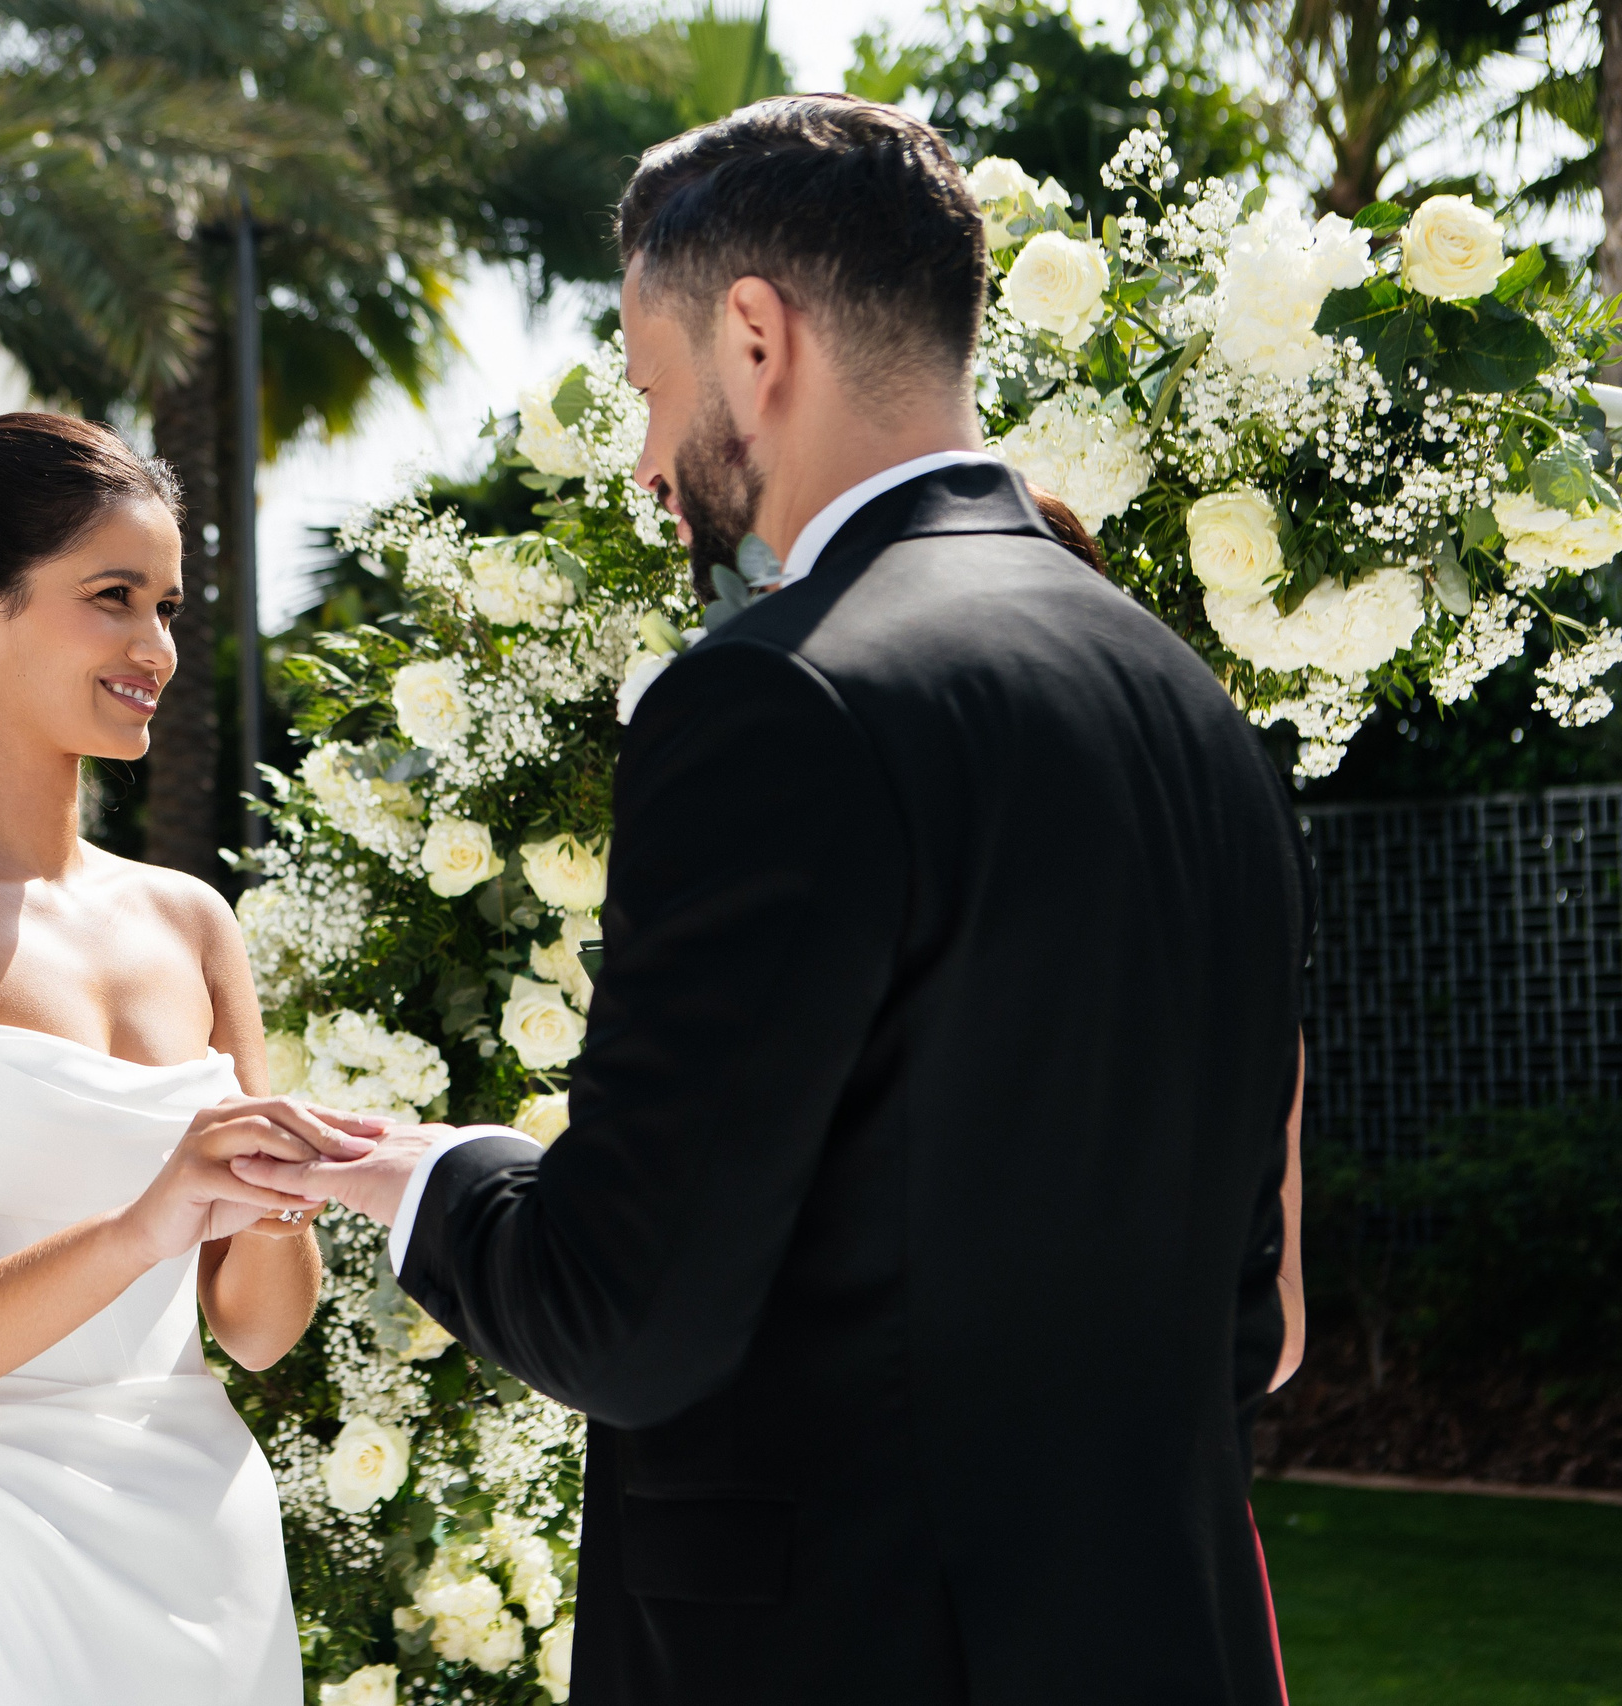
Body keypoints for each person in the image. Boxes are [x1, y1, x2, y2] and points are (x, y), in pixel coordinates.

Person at [238, 97, 1310, 1705]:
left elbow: (627, 1314)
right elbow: (1251, 1326)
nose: (648, 457)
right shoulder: (1195, 713)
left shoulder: (775, 700)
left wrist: (419, 1172)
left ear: (754, 336)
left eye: (646, 386)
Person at [0, 413, 378, 1705]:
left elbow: (261, 1330)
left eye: (166, 604)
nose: (157, 647)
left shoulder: (192, 921)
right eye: (114, 599)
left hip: (205, 1548)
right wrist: (143, 1221)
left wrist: (278, 1183)